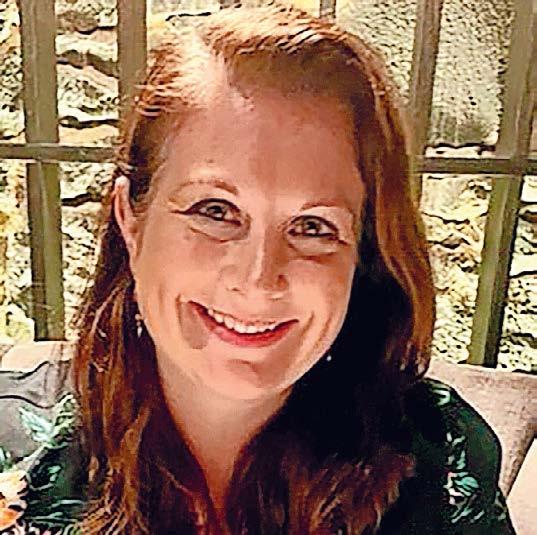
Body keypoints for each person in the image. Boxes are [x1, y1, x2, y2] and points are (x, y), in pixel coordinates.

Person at [0, 3, 516, 534]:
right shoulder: (10, 451)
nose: (258, 278)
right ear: (131, 218)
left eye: (313, 227)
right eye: (215, 211)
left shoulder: (438, 460)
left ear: (362, 253)